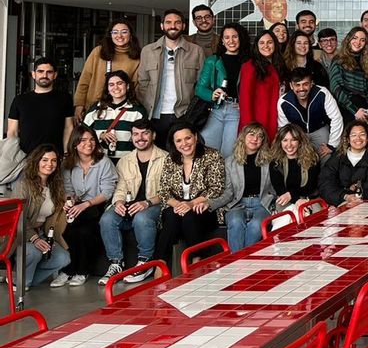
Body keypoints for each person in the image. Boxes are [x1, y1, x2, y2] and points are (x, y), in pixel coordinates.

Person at [98, 119, 167, 285]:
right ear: (131, 137)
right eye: (136, 134)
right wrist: (119, 202)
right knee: (107, 219)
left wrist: (147, 203)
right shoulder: (125, 161)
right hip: (129, 205)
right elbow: (120, 187)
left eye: (145, 133)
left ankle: (145, 262)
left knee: (142, 217)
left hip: (155, 206)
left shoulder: (166, 158)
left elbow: (169, 191)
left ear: (153, 135)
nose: (140, 137)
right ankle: (116, 263)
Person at [154, 123, 226, 262]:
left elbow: (216, 188)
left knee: (190, 217)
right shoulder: (171, 159)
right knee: (171, 217)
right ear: (174, 143)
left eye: (188, 138)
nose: (184, 144)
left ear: (196, 137)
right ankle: (161, 265)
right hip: (176, 207)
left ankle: (196, 261)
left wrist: (191, 204)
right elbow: (163, 191)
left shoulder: (212, 155)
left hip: (203, 207)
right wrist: (178, 205)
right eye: (179, 141)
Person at [60, 126, 117, 285]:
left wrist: (85, 204)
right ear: (75, 143)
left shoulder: (103, 161)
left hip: (98, 205)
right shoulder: (68, 163)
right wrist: (69, 201)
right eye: (83, 140)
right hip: (78, 206)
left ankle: (82, 271)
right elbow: (68, 189)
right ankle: (67, 270)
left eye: (92, 139)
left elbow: (107, 192)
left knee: (84, 231)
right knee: (69, 229)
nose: (89, 143)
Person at [137, 11, 204, 145]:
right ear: (162, 26)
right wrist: (146, 106)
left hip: (184, 114)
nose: (172, 26)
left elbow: (201, 84)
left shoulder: (196, 51)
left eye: (177, 22)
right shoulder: (148, 51)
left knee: (182, 154)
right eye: (168, 22)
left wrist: (193, 112)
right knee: (158, 156)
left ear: (183, 26)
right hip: (155, 115)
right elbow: (142, 82)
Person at [211, 123, 275, 252]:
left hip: (262, 203)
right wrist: (210, 204)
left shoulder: (270, 161)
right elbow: (228, 192)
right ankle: (237, 261)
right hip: (237, 203)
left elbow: (275, 187)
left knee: (257, 225)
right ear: (243, 137)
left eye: (260, 136)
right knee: (235, 222)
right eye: (251, 134)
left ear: (263, 141)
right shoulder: (230, 162)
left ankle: (242, 260)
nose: (255, 139)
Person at [14, 146, 71, 288]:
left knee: (63, 258)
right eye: (44, 160)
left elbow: (55, 206)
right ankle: (21, 283)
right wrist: (34, 238)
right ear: (36, 161)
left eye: (53, 161)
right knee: (34, 253)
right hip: (19, 234)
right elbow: (18, 216)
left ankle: (20, 280)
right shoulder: (24, 184)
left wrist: (68, 200)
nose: (49, 164)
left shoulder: (54, 184)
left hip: (40, 232)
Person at [196, 24, 249, 158]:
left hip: (236, 112)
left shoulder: (248, 62)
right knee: (207, 152)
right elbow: (199, 88)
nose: (231, 41)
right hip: (215, 110)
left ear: (240, 38)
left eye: (234, 37)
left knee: (229, 154)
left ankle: (227, 180)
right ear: (222, 41)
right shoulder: (213, 61)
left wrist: (244, 103)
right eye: (227, 37)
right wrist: (211, 94)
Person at [75, 19, 141, 124]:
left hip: (122, 111)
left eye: (124, 32)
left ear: (131, 35)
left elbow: (135, 86)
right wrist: (79, 104)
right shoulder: (98, 52)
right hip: (94, 107)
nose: (119, 35)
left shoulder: (137, 57)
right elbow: (85, 79)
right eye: (115, 32)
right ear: (110, 35)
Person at [8, 57, 74, 154]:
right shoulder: (20, 100)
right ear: (33, 74)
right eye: (40, 71)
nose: (44, 75)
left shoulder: (64, 99)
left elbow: (68, 128)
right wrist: (14, 155)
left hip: (54, 158)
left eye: (49, 72)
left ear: (55, 75)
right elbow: (12, 132)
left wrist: (65, 153)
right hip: (26, 158)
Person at [277, 66, 343, 162]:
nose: (301, 88)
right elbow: (283, 127)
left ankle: (323, 177)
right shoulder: (284, 101)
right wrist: (290, 144)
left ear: (311, 83)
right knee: (300, 160)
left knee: (327, 156)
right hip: (298, 134)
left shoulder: (322, 93)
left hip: (320, 129)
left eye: (305, 84)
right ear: (291, 86)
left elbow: (336, 118)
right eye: (297, 85)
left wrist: (332, 145)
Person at [82, 70, 150, 162]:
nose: (116, 87)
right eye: (111, 84)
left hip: (128, 162)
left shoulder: (138, 111)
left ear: (128, 86)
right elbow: (81, 133)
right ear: (108, 89)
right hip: (100, 162)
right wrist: (100, 135)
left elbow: (145, 137)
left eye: (119, 83)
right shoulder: (96, 109)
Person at [264, 124, 322, 225]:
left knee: (312, 220)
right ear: (280, 142)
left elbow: (311, 186)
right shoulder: (275, 161)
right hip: (285, 200)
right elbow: (279, 187)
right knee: (288, 220)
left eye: (293, 140)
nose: (289, 145)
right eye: (285, 140)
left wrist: (292, 195)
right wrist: (296, 200)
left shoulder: (312, 158)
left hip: (309, 197)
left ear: (300, 142)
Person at [319, 120, 368, 205]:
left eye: (362, 134)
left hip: (363, 206)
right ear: (348, 139)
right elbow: (325, 184)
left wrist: (356, 196)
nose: (358, 138)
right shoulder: (336, 158)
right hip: (337, 205)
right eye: (353, 135)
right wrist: (345, 196)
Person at [239, 30, 283, 142]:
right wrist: (250, 129)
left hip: (275, 119)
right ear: (256, 46)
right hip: (258, 120)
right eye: (262, 43)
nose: (266, 46)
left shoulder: (278, 65)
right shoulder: (250, 66)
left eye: (269, 42)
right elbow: (245, 98)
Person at [329, 27, 368, 122]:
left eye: (362, 40)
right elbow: (335, 88)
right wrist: (354, 110)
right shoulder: (338, 60)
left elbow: (365, 91)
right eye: (355, 38)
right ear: (348, 39)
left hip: (363, 109)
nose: (358, 42)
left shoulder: (365, 62)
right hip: (346, 109)